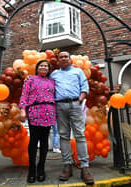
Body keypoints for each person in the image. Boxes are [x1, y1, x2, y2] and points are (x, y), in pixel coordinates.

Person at [50, 51, 94, 185]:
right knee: (63, 135)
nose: (63, 58)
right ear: (58, 60)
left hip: (75, 104)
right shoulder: (54, 74)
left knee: (79, 135)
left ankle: (85, 167)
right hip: (59, 106)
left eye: (66, 57)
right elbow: (48, 88)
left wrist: (79, 100)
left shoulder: (78, 71)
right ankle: (67, 165)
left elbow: (84, 87)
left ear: (70, 59)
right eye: (61, 57)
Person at [19, 59, 56, 183]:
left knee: (45, 141)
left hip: (49, 111)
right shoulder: (30, 79)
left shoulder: (52, 81)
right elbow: (24, 95)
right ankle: (32, 169)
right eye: (42, 65)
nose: (44, 67)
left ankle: (41, 169)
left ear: (49, 69)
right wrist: (23, 110)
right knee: (34, 140)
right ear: (37, 68)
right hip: (34, 110)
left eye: (46, 66)